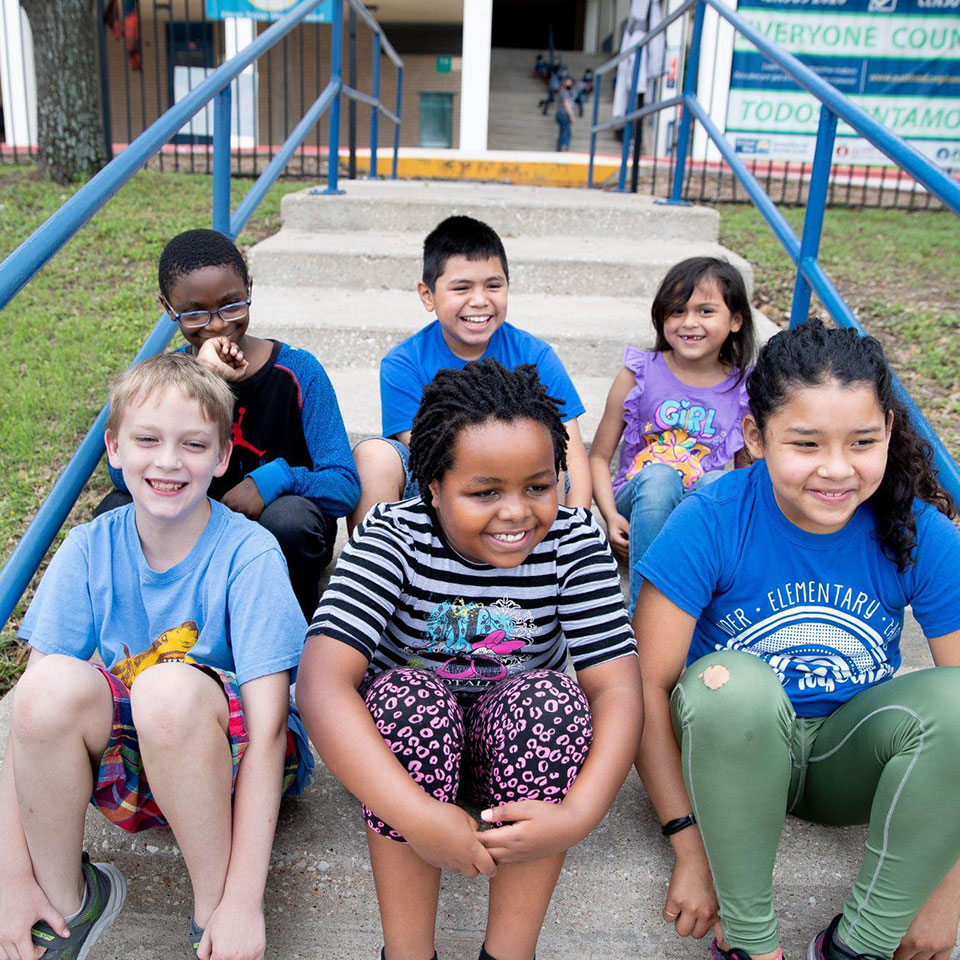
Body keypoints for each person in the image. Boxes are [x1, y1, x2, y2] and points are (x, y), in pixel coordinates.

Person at [634, 319, 960, 960]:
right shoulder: (712, 519)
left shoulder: (917, 529)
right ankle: (752, 944)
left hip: (847, 759)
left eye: (863, 441)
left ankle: (858, 945)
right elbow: (642, 686)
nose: (837, 469)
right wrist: (688, 842)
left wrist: (946, 886)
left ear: (890, 433)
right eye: (806, 444)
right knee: (730, 684)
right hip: (732, 756)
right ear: (756, 437)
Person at [298, 359, 643, 960]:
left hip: (513, 756)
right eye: (485, 492)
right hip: (406, 760)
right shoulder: (391, 537)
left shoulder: (575, 542)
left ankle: (508, 954)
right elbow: (322, 684)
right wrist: (418, 817)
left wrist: (580, 814)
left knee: (552, 701)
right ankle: (407, 954)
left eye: (539, 486)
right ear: (431, 485)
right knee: (407, 700)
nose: (516, 512)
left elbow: (617, 690)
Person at [0, 353, 313, 960]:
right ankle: (67, 906)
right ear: (114, 448)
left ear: (222, 457)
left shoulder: (250, 554)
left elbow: (271, 733)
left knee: (167, 689)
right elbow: (29, 727)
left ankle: (211, 916)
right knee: (44, 689)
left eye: (194, 444)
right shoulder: (88, 549)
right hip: (135, 757)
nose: (169, 461)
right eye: (148, 439)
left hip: (230, 752)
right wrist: (11, 880)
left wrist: (242, 902)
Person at [96, 228, 359, 618]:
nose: (217, 325)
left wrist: (273, 481)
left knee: (289, 520)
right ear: (168, 309)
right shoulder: (164, 379)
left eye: (232, 305)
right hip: (192, 529)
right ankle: (150, 630)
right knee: (113, 511)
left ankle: (295, 633)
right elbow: (121, 474)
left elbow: (343, 485)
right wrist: (196, 381)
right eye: (194, 313)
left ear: (249, 288)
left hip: (276, 536)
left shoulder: (300, 371)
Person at [348, 215, 592, 532]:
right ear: (427, 295)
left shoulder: (535, 356)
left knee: (551, 462)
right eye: (461, 288)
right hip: (439, 488)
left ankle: (541, 565)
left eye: (493, 286)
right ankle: (379, 567)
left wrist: (581, 527)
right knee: (373, 457)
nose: (479, 301)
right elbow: (428, 451)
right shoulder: (404, 362)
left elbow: (571, 450)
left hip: (521, 496)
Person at [589, 257, 755, 615]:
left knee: (716, 481)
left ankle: (701, 606)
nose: (689, 322)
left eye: (706, 311)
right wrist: (609, 515)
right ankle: (644, 617)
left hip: (694, 508)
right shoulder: (639, 373)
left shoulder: (743, 390)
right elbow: (599, 457)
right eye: (677, 311)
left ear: (736, 320)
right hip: (637, 500)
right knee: (661, 477)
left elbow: (744, 479)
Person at [555, 77, 575, 151]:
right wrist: (571, 116)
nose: (569, 84)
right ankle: (564, 147)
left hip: (562, 114)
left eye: (570, 83)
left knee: (563, 132)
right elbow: (566, 104)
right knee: (566, 132)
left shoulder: (566, 92)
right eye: (568, 82)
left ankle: (559, 148)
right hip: (564, 114)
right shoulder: (564, 92)